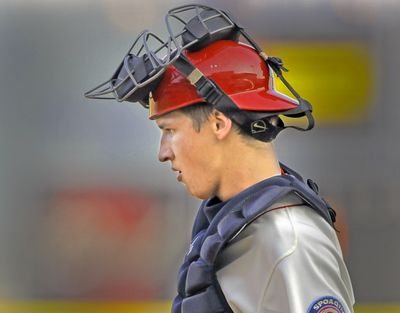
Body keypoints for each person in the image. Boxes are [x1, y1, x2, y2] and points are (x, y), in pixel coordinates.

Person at [85, 4, 355, 313]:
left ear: (218, 123)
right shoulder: (239, 225)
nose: (163, 152)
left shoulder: (286, 237)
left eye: (170, 130)